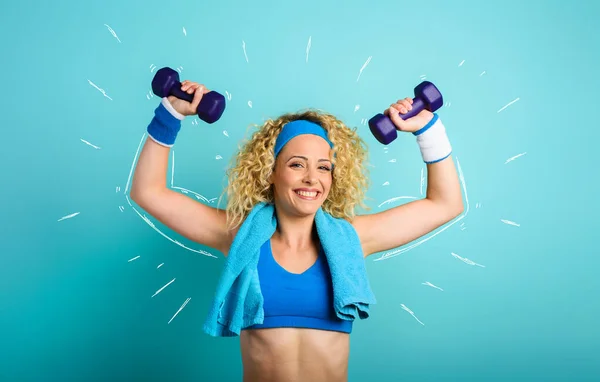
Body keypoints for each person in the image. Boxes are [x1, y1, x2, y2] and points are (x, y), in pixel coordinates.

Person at [130, 79, 463, 382]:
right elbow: (149, 192)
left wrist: (427, 129)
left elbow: (445, 204)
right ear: (270, 172)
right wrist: (171, 112)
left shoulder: (352, 239)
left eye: (323, 167)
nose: (311, 178)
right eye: (296, 164)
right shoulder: (239, 236)